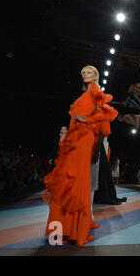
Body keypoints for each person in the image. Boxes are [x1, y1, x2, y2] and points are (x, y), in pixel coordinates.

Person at [42, 65, 118, 246]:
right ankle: (68, 229)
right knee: (71, 180)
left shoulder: (96, 92)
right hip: (76, 139)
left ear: (96, 75)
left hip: (84, 139)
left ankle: (77, 230)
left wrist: (89, 120)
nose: (85, 74)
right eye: (83, 72)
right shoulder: (87, 93)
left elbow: (110, 114)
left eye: (88, 72)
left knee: (77, 181)